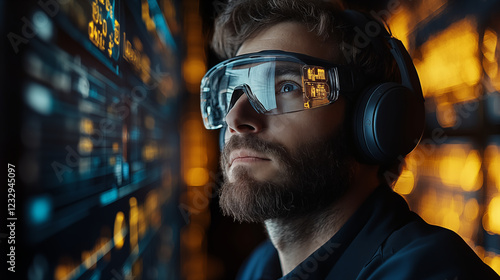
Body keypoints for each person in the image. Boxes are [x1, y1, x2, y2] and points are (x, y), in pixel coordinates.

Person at [199, 0, 500, 279]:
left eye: (287, 86)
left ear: (372, 120)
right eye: (233, 93)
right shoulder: (261, 267)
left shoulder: (430, 269)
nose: (235, 119)